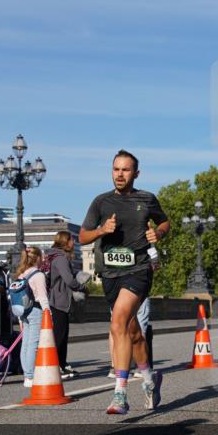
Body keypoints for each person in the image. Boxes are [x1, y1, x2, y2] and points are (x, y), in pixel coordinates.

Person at [80, 150, 169, 414]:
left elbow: (164, 222)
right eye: (116, 169)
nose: (120, 174)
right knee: (132, 332)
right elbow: (83, 237)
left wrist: (158, 232)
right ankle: (151, 381)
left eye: (126, 170)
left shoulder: (146, 199)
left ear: (136, 173)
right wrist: (101, 231)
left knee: (118, 321)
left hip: (138, 269)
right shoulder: (101, 202)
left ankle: (120, 392)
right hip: (109, 273)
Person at [44, 230, 88, 376]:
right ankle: (57, 366)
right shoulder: (61, 259)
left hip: (57, 299)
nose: (73, 242)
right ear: (65, 241)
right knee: (59, 336)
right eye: (71, 240)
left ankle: (62, 364)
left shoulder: (54, 256)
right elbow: (69, 280)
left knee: (62, 334)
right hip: (59, 300)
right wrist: (82, 287)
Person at [14, 246, 51, 387]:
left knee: (26, 343)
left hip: (23, 312)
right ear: (37, 258)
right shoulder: (38, 275)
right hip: (35, 310)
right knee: (34, 344)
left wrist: (19, 318)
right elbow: (42, 297)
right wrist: (48, 313)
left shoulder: (21, 275)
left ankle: (27, 375)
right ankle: (30, 376)